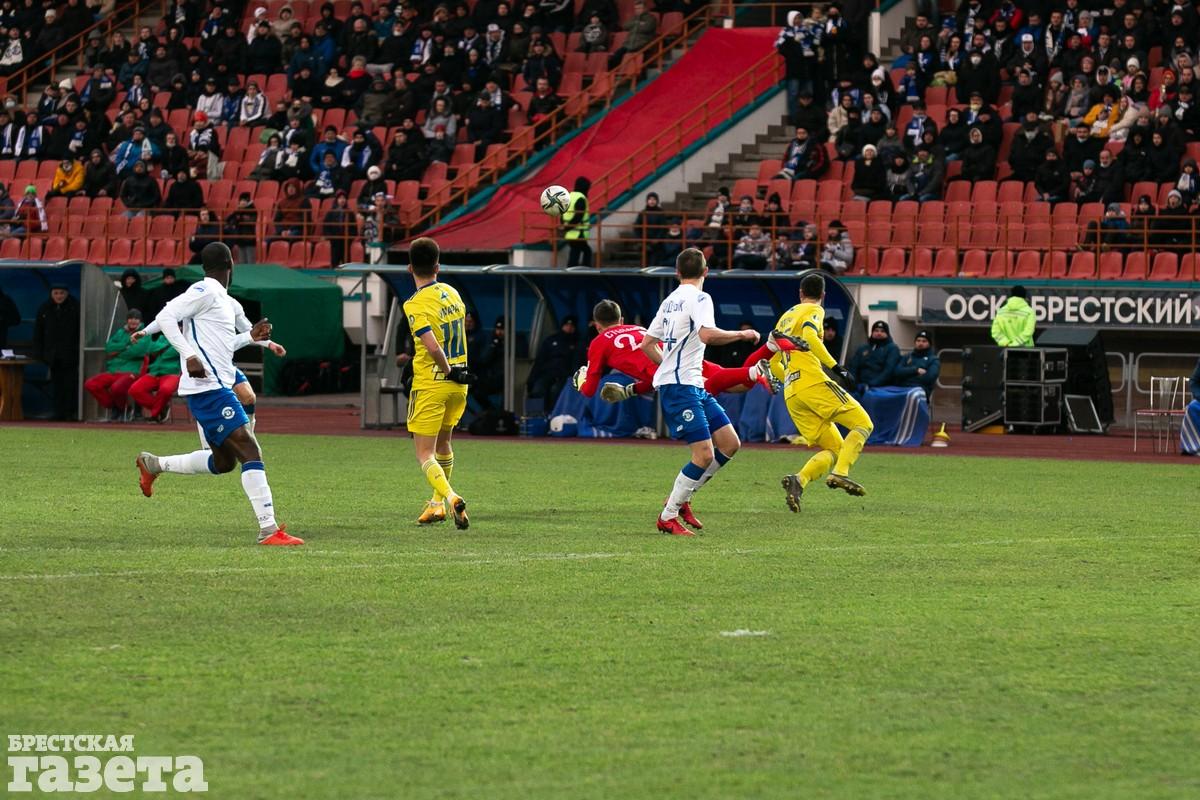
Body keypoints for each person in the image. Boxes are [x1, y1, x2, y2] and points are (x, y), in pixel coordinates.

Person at [133, 242, 303, 546]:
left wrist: (262, 341)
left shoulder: (226, 301)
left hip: (218, 384)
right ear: (230, 264)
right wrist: (188, 354)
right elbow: (168, 315)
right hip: (208, 387)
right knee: (250, 450)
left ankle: (154, 464)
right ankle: (268, 529)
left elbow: (232, 340)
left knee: (223, 463)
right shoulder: (205, 291)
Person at [638, 248, 761, 535]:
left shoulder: (669, 301)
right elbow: (707, 334)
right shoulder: (701, 298)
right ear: (706, 272)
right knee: (704, 454)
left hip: (692, 384)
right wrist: (742, 334)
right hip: (681, 387)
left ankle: (683, 499)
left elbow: (647, 343)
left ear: (677, 273)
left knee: (729, 443)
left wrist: (668, 365)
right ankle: (668, 515)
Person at [773, 272, 875, 510]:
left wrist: (790, 381)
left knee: (835, 448)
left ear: (800, 293)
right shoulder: (814, 310)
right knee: (863, 424)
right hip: (813, 383)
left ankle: (799, 481)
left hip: (792, 393)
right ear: (823, 295)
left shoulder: (784, 318)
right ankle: (840, 473)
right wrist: (837, 368)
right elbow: (810, 335)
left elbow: (774, 361)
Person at [401, 237, 475, 528]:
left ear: (410, 268)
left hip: (433, 383)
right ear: (438, 267)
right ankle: (436, 504)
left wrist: (447, 370)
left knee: (424, 453)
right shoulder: (453, 293)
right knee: (444, 442)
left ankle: (451, 496)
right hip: (460, 384)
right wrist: (456, 372)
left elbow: (432, 346)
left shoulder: (414, 304)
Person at [576, 298, 775, 405]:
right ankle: (770, 346)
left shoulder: (599, 342)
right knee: (740, 386)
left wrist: (581, 382)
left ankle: (756, 371)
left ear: (597, 326)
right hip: (681, 357)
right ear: (621, 321)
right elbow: (655, 373)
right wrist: (630, 390)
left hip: (675, 372)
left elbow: (589, 390)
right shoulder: (639, 329)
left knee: (706, 389)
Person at [84, 308, 153, 418]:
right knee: (91, 384)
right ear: (127, 320)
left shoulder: (145, 334)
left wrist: (118, 351)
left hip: (132, 370)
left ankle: (122, 408)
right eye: (130, 318)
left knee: (117, 388)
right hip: (114, 370)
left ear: (140, 321)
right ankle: (115, 407)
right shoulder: (120, 332)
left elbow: (137, 352)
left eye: (136, 318)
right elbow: (109, 348)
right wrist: (127, 344)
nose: (133, 321)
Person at [33, 284, 81, 420]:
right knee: (57, 385)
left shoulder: (75, 307)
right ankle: (59, 412)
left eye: (61, 293)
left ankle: (70, 412)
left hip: (71, 354)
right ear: (51, 294)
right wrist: (39, 353)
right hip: (53, 355)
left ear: (67, 293)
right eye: (56, 293)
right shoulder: (45, 308)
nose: (59, 296)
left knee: (70, 384)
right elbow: (38, 332)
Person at [526, 315, 580, 408]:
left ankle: (553, 414)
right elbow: (540, 361)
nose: (569, 327)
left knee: (555, 391)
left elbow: (576, 363)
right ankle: (535, 414)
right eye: (566, 325)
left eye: (571, 326)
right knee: (538, 388)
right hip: (547, 374)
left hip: (565, 376)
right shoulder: (551, 340)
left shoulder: (577, 342)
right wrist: (531, 378)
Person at [847, 320, 901, 396]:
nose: (879, 333)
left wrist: (870, 385)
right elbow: (853, 367)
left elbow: (888, 371)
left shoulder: (892, 348)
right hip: (859, 387)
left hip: (881, 388)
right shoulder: (863, 348)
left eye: (882, 331)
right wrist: (853, 383)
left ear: (887, 334)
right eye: (876, 330)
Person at [894, 330, 940, 397]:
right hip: (902, 388)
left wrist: (906, 375)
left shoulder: (933, 360)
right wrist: (916, 370)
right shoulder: (907, 356)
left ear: (929, 344)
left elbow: (929, 378)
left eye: (924, 341)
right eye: (918, 341)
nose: (920, 343)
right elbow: (897, 372)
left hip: (920, 390)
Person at [561, 176, 591, 267]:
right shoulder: (581, 198)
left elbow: (562, 214)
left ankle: (574, 270)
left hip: (570, 233)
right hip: (578, 232)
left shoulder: (569, 196)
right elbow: (578, 217)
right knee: (584, 252)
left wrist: (564, 226)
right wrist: (568, 227)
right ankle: (583, 270)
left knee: (577, 251)